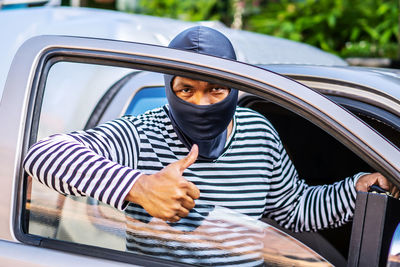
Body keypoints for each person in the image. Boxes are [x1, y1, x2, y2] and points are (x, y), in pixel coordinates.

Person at [23, 26, 398, 265]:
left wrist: (355, 190)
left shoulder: (258, 131)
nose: (201, 104)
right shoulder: (142, 134)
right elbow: (44, 155)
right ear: (169, 87)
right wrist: (140, 187)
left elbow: (293, 210)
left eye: (215, 89)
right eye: (186, 89)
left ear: (233, 88)